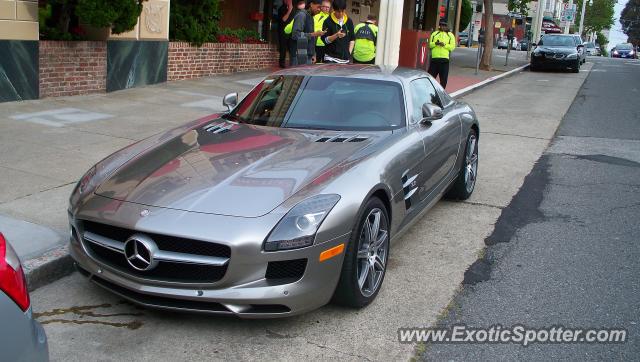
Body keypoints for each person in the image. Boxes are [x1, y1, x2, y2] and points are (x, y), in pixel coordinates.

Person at [290, 0, 325, 66]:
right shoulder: (302, 15)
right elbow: (295, 35)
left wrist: (313, 54)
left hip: (307, 55)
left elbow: (311, 38)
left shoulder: (310, 16)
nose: (319, 10)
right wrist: (314, 34)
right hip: (299, 55)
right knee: (299, 76)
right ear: (311, 4)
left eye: (321, 8)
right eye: (318, 7)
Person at [428, 20, 456, 88]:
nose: (443, 27)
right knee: (430, 79)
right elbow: (430, 45)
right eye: (441, 25)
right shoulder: (434, 33)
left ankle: (441, 94)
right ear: (439, 25)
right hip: (434, 60)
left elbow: (452, 47)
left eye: (444, 25)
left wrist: (444, 45)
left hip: (444, 61)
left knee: (443, 80)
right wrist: (435, 43)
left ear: (447, 26)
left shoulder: (450, 35)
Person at [277, 0, 294, 68]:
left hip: (292, 32)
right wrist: (289, 10)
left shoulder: (295, 9)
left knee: (291, 48)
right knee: (283, 48)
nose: (288, 1)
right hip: (283, 31)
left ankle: (292, 63)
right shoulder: (281, 8)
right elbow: (283, 19)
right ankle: (282, 64)